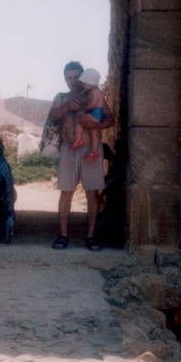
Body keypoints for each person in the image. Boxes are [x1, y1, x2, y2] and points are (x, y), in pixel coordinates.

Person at [47, 61, 115, 251]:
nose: (73, 81)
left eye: (76, 77)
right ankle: (63, 235)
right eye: (69, 77)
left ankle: (91, 237)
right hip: (68, 150)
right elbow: (52, 116)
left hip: (90, 150)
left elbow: (110, 119)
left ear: (83, 76)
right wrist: (68, 106)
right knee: (66, 193)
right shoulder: (62, 97)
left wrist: (96, 125)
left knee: (92, 193)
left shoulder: (94, 94)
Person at [69, 68, 107, 162]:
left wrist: (85, 108)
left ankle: (78, 140)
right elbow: (85, 92)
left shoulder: (95, 92)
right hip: (98, 113)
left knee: (80, 121)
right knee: (93, 132)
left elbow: (93, 103)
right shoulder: (95, 90)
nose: (83, 85)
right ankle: (94, 151)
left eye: (85, 83)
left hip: (94, 112)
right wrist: (83, 91)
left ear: (92, 83)